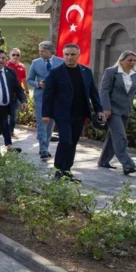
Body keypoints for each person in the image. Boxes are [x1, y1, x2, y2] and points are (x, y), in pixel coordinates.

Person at [41, 44, 104, 182]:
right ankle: (58, 171)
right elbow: (48, 94)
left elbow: (93, 92)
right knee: (65, 140)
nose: (69, 57)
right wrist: (46, 114)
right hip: (62, 114)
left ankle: (67, 171)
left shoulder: (86, 71)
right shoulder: (55, 72)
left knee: (73, 142)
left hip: (80, 113)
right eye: (67, 54)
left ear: (78, 55)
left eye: (72, 54)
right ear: (63, 55)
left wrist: (99, 110)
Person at [97, 50, 136, 175]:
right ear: (121, 61)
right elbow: (104, 91)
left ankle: (103, 161)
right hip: (112, 110)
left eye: (134, 60)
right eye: (129, 60)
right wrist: (106, 108)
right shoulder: (111, 72)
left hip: (126, 111)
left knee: (113, 137)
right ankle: (128, 165)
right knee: (120, 137)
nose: (132, 62)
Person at [27, 41, 63, 160]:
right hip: (40, 97)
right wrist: (38, 84)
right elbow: (29, 80)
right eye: (39, 50)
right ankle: (43, 149)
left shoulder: (61, 62)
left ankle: (45, 146)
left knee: (50, 123)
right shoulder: (35, 63)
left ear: (50, 51)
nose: (40, 53)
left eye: (42, 51)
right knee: (41, 122)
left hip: (55, 98)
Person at [7, 48, 27, 138]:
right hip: (6, 94)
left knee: (14, 115)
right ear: (9, 55)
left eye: (17, 55)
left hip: (16, 94)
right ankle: (3, 131)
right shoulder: (5, 65)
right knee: (4, 114)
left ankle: (11, 131)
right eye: (13, 54)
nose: (15, 56)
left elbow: (24, 80)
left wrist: (26, 91)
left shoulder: (22, 66)